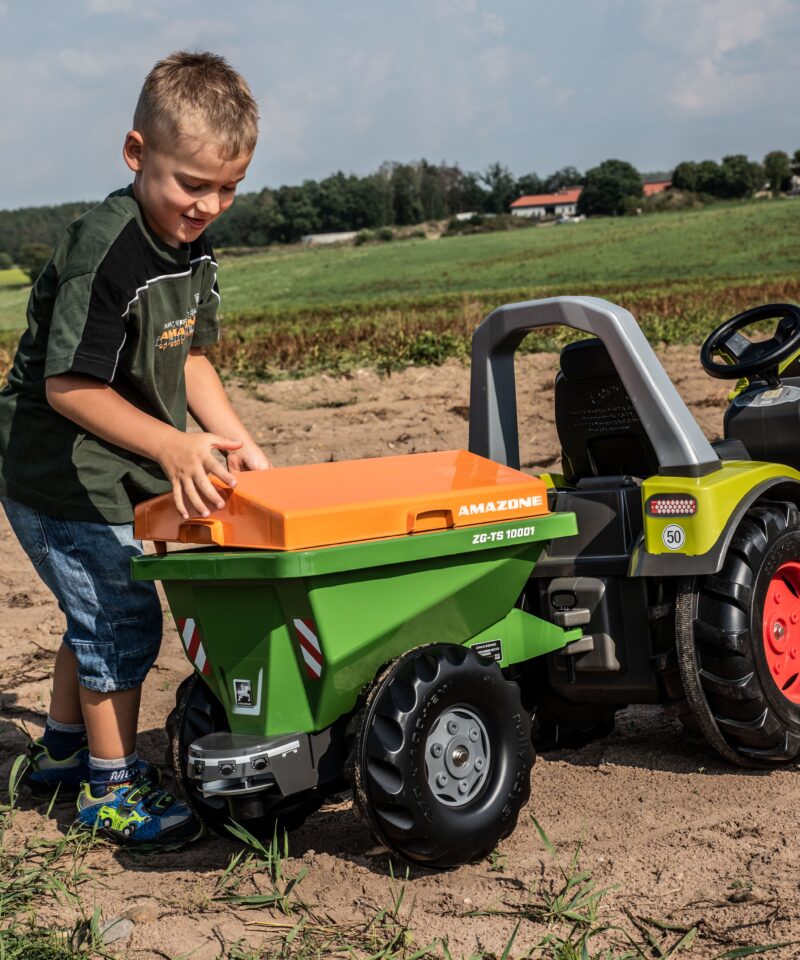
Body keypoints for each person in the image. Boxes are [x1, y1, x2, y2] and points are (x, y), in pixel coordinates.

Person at [0, 51, 270, 846]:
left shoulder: (191, 249)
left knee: (95, 608)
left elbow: (188, 358)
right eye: (192, 183)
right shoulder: (106, 248)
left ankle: (58, 755)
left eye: (228, 188)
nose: (208, 205)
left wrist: (233, 437)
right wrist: (171, 444)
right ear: (136, 153)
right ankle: (109, 792)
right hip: (58, 467)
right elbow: (67, 389)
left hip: (113, 459)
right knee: (119, 615)